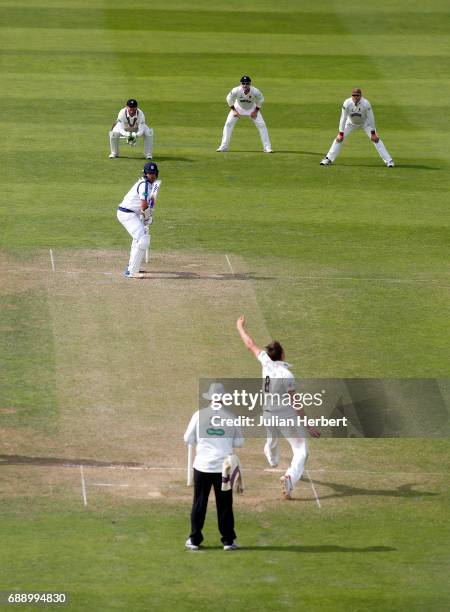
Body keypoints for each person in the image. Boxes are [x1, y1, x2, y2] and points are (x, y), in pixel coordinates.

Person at [236, 315, 320, 500]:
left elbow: (250, 344)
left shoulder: (265, 361)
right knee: (301, 451)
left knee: (272, 440)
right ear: (282, 355)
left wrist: (239, 326)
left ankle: (273, 460)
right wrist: (309, 425)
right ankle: (289, 478)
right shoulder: (287, 374)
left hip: (267, 414)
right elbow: (295, 402)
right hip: (285, 418)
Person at [184, 382, 244, 551]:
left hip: (202, 466)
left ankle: (194, 540)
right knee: (225, 505)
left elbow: (188, 438)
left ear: (210, 398)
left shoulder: (198, 415)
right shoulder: (231, 418)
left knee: (199, 503)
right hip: (224, 468)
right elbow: (240, 442)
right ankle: (228, 541)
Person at [320, 88, 394, 167]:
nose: (355, 97)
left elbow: (371, 118)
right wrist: (341, 133)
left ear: (360, 96)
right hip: (350, 124)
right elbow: (343, 118)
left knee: (376, 140)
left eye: (357, 95)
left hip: (365, 124)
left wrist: (373, 133)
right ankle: (328, 159)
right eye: (353, 95)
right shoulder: (347, 103)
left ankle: (389, 161)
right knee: (338, 139)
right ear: (351, 96)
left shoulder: (366, 103)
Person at [116, 162, 161, 277]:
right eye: (150, 173)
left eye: (154, 173)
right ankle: (131, 272)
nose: (152, 176)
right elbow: (143, 205)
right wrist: (147, 218)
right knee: (142, 238)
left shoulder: (151, 185)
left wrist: (147, 216)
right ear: (145, 174)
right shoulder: (144, 185)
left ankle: (132, 266)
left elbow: (146, 205)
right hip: (126, 213)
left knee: (138, 239)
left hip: (133, 214)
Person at [217, 76, 273, 153]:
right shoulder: (236, 90)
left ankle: (267, 147)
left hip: (251, 108)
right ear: (240, 84)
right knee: (228, 124)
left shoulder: (255, 91)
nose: (245, 85)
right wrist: (234, 110)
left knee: (262, 125)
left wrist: (255, 111)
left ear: (250, 84)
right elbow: (228, 98)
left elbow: (261, 99)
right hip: (238, 108)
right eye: (243, 83)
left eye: (247, 83)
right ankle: (224, 146)